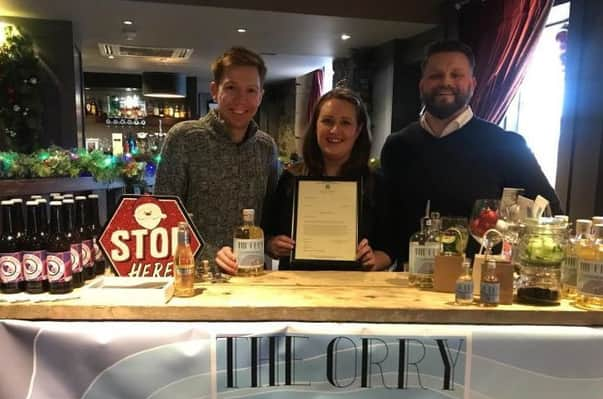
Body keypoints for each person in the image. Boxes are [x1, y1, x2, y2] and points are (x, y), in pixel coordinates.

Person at [380, 40, 562, 265]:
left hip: (480, 288)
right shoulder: (398, 146)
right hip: (407, 284)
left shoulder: (506, 145)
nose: (446, 82)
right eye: (436, 75)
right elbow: (387, 220)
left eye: (456, 75)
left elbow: (548, 213)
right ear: (422, 84)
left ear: (472, 84)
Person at [155, 46, 279, 266]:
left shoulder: (266, 147)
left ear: (261, 96)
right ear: (215, 90)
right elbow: (164, 214)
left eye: (251, 90)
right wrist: (209, 254)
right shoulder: (184, 138)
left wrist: (272, 242)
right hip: (197, 277)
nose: (241, 99)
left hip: (254, 274)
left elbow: (269, 215)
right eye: (231, 87)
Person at [263, 87, 394, 271]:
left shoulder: (374, 184)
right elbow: (267, 233)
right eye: (327, 121)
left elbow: (389, 247)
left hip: (355, 290)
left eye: (345, 123)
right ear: (315, 125)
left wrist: (375, 259)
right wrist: (273, 244)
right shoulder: (291, 178)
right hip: (297, 288)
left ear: (358, 130)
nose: (334, 130)